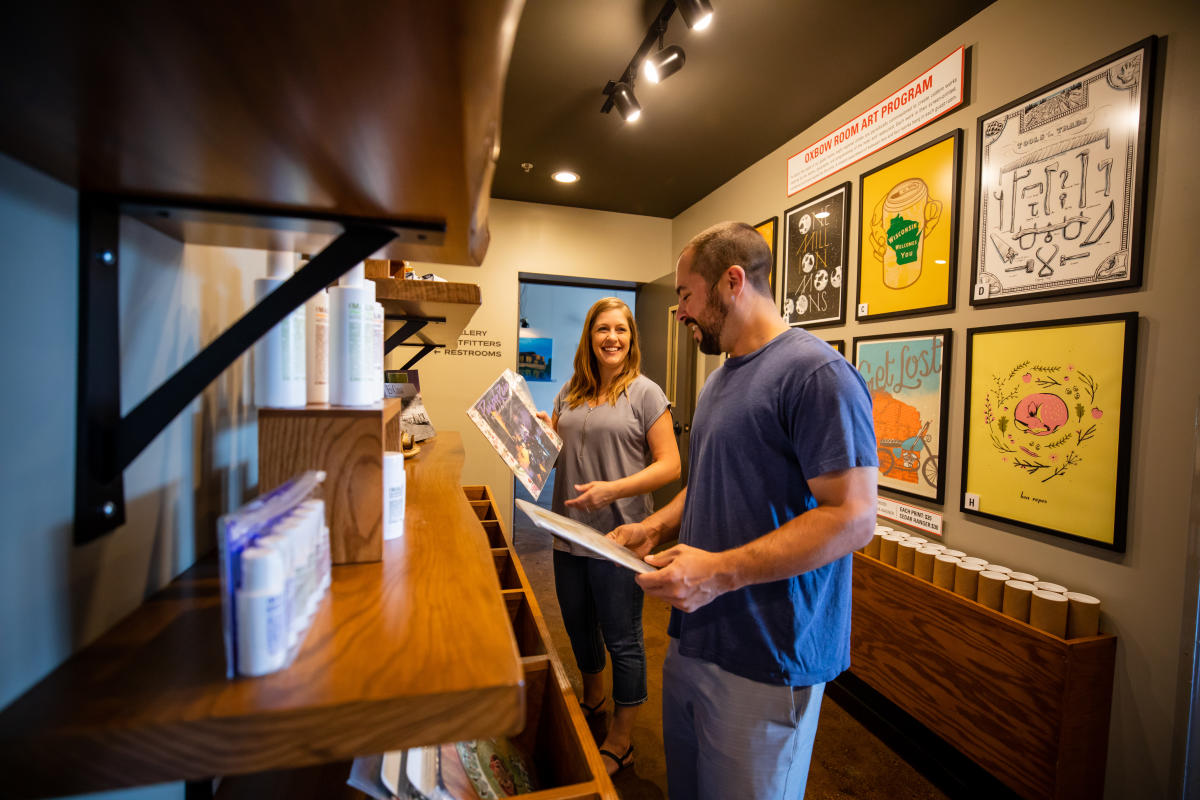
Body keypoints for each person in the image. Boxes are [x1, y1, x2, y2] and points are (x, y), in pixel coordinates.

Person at [609, 222, 878, 799]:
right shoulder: (717, 381)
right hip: (693, 637)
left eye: (685, 295)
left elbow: (853, 517)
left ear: (732, 281)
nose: (679, 311)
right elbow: (707, 481)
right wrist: (653, 524)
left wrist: (719, 572)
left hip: (768, 654)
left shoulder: (817, 374)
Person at [539, 297, 680, 776]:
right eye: (603, 329)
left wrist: (612, 491)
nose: (612, 338)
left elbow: (670, 465)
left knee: (623, 638)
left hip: (621, 537)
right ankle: (593, 699)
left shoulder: (645, 393)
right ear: (590, 336)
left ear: (631, 338)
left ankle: (621, 738)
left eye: (620, 329)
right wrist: (539, 435)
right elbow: (561, 458)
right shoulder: (569, 394)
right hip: (566, 533)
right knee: (579, 628)